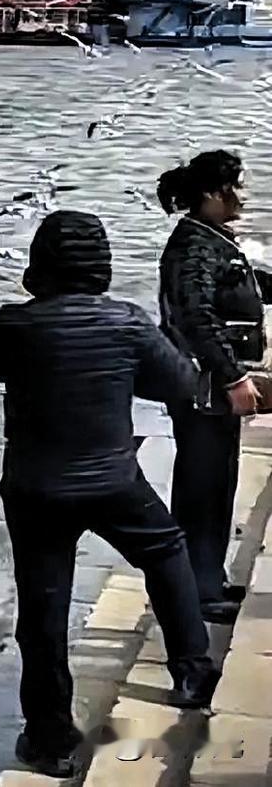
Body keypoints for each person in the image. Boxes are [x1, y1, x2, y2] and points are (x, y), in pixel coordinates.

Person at [0, 209, 217, 780]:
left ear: (39, 263)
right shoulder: (126, 322)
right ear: (103, 266)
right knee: (165, 552)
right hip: (114, 482)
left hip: (36, 490)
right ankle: (191, 673)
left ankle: (51, 740)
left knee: (43, 610)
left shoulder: (14, 326)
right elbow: (180, 386)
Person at [157, 147, 272, 622]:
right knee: (202, 487)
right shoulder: (193, 248)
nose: (242, 196)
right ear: (211, 194)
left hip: (212, 388)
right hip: (204, 386)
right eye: (235, 187)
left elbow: (244, 285)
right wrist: (235, 376)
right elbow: (197, 316)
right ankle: (198, 590)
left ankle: (209, 578)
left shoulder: (210, 240)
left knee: (217, 481)